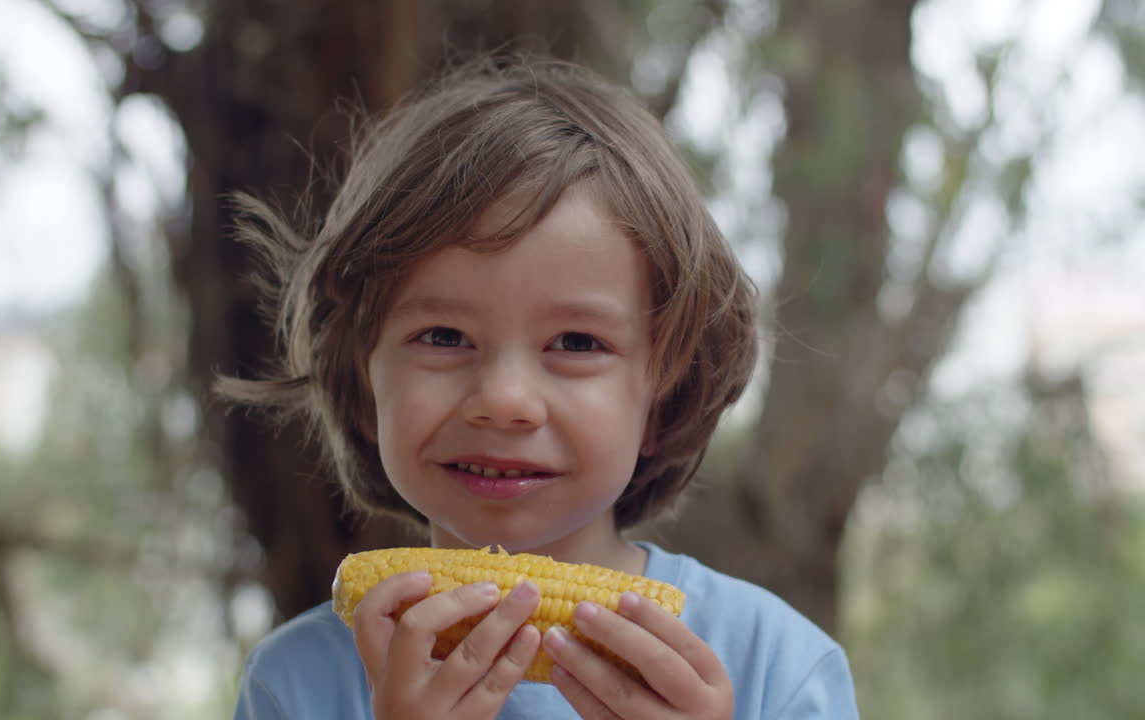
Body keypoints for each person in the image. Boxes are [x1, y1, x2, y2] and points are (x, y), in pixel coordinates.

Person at [222, 56, 859, 719]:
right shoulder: (294, 686)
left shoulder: (776, 666)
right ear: (361, 380)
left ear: (662, 402)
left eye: (577, 344)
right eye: (443, 336)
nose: (503, 401)